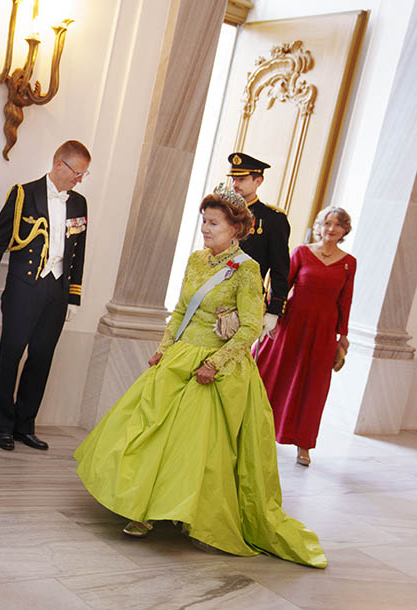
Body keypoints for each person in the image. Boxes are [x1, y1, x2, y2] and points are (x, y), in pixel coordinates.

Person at [74, 184, 326, 568]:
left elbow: (250, 328)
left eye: (213, 223)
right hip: (179, 357)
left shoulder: (247, 270)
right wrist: (164, 345)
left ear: (235, 228)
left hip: (215, 365)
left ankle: (183, 511)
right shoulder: (195, 260)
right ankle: (141, 508)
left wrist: (216, 363)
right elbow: (178, 310)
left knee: (190, 446)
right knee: (150, 431)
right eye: (203, 222)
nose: (205, 229)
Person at [0, 140, 90, 451]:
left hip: (57, 291)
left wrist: (73, 296)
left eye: (84, 175)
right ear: (59, 163)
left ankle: (25, 425)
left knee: (42, 359)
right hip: (24, 288)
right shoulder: (24, 194)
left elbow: (79, 253)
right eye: (77, 172)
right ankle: (4, 426)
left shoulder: (79, 203)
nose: (80, 180)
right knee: (10, 356)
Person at [256, 207, 355, 467]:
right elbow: (281, 285)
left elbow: (346, 299)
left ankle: (304, 444)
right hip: (292, 325)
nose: (331, 229)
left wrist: (342, 335)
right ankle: (256, 431)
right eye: (326, 223)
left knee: (313, 387)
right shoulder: (302, 252)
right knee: (274, 376)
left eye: (337, 225)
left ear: (345, 230)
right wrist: (272, 317)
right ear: (319, 226)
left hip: (322, 331)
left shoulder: (348, 262)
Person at [229, 152, 290, 339]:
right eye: (234, 178)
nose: (236, 184)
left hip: (245, 299)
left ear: (258, 181)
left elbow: (280, 268)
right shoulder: (222, 211)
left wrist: (274, 311)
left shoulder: (273, 219)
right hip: (211, 292)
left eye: (242, 179)